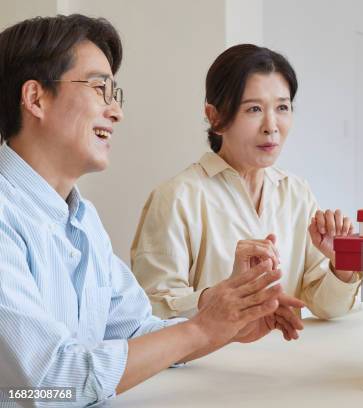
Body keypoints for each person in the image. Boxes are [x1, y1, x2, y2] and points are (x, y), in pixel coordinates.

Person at [0, 15, 302, 407]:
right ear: (36, 98)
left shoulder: (82, 218)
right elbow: (49, 386)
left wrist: (226, 326)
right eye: (99, 89)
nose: (116, 112)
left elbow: (138, 330)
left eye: (115, 95)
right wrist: (201, 330)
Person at [131, 44, 362, 321]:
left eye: (282, 107)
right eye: (254, 109)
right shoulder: (177, 196)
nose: (271, 126)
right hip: (210, 363)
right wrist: (225, 297)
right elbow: (153, 311)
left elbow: (327, 308)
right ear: (215, 117)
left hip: (292, 359)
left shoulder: (296, 192)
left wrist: (341, 263)